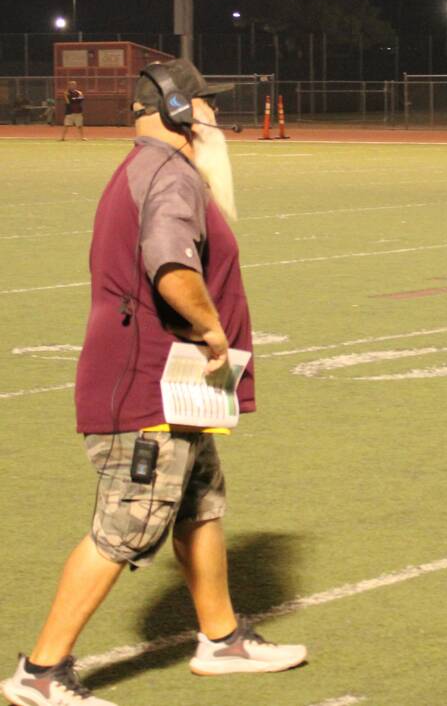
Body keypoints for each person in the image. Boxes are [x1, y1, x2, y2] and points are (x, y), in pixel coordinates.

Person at [2, 59, 306, 706]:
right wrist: (214, 330)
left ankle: (221, 639)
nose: (214, 117)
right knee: (127, 525)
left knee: (200, 502)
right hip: (146, 391)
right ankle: (41, 673)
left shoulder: (152, 170)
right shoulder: (170, 177)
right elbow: (170, 265)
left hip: (169, 389)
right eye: (206, 105)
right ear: (176, 109)